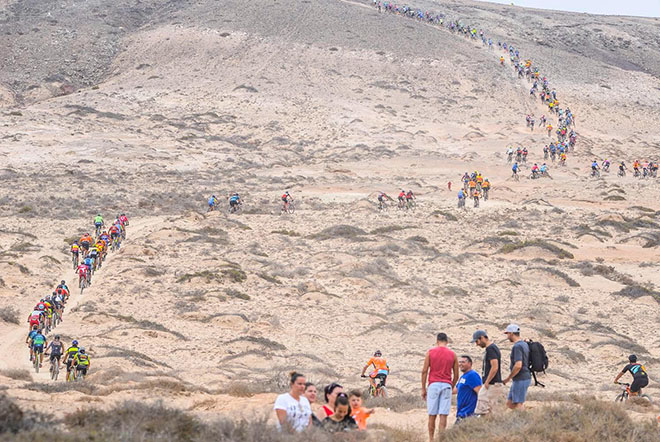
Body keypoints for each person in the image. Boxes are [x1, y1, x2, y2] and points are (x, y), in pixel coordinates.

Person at [421, 333, 459, 442]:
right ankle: (441, 439)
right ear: (447, 341)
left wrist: (423, 388)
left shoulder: (430, 352)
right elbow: (456, 375)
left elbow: (424, 371)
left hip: (433, 384)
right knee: (443, 415)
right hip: (446, 385)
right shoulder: (453, 354)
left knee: (432, 414)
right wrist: (451, 385)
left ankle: (431, 439)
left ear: (437, 341)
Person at [472, 330, 503, 415]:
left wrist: (487, 381)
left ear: (482, 338)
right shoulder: (491, 348)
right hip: (493, 384)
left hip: (492, 384)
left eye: (477, 341)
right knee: (491, 410)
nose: (477, 344)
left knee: (482, 409)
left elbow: (494, 366)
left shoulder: (491, 349)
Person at [502, 324, 531, 410]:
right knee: (510, 403)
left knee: (518, 404)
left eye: (507, 334)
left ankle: (522, 417)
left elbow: (518, 365)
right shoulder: (524, 344)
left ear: (511, 333)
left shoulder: (517, 346)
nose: (507, 336)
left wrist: (508, 378)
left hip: (521, 378)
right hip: (521, 378)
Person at [454, 355, 482, 421]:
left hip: (469, 414)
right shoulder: (463, 376)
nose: (460, 364)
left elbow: (480, 392)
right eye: (459, 362)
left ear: (469, 364)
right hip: (461, 413)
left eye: (463, 362)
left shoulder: (472, 375)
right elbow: (456, 390)